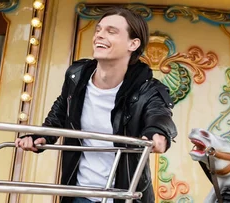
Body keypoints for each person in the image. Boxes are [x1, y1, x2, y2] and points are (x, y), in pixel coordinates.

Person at [14, 6, 177, 203]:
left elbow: (159, 116)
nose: (99, 35)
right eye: (98, 30)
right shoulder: (76, 76)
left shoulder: (148, 89)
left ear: (133, 44)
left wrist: (158, 133)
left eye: (111, 31)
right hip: (79, 194)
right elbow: (59, 116)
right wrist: (40, 136)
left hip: (123, 196)